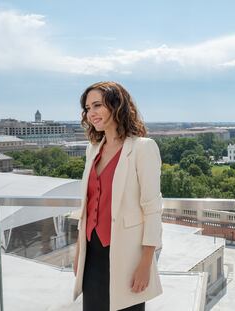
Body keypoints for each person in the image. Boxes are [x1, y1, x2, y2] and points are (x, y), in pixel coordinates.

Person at [73, 81, 163, 311]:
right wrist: (79, 250)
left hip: (125, 255)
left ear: (116, 105)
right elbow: (87, 206)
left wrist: (145, 263)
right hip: (92, 255)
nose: (91, 113)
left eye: (97, 105)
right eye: (87, 108)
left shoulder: (143, 148)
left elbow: (152, 209)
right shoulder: (92, 149)